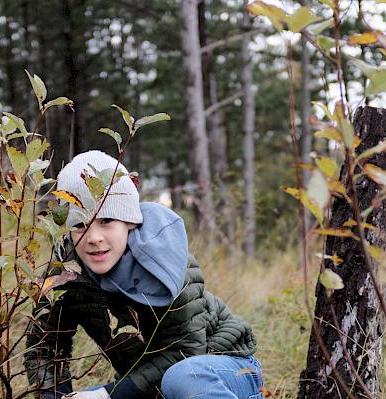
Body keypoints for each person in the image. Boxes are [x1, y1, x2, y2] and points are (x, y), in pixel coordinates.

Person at [24, 151, 263, 399]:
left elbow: (187, 351)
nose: (93, 238)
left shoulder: (165, 258)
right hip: (151, 383)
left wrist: (107, 395)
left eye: (106, 220)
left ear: (129, 220)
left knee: (181, 378)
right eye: (79, 225)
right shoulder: (67, 272)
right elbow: (44, 349)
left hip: (225, 371)